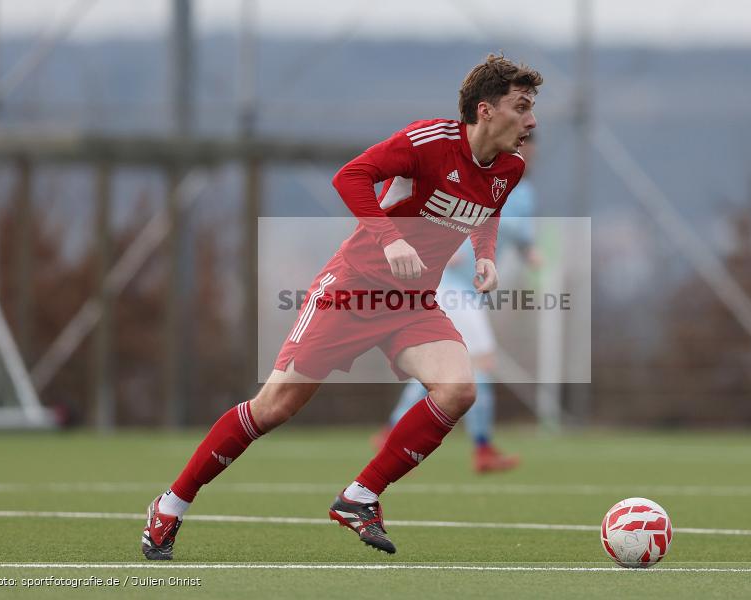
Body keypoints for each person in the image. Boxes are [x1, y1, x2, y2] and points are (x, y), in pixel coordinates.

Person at [141, 54, 542, 559]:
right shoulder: (428, 142)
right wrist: (391, 238)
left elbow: (486, 210)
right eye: (521, 107)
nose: (531, 120)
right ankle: (171, 504)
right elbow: (351, 176)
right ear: (485, 110)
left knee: (459, 390)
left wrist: (485, 255)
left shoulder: (510, 167)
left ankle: (360, 496)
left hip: (413, 304)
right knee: (274, 407)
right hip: (352, 290)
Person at [377, 136, 541, 473]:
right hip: (450, 287)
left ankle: (393, 430)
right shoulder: (478, 177)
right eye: (520, 146)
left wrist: (530, 254)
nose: (525, 154)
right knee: (481, 362)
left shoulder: (524, 192)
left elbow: (519, 236)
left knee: (442, 370)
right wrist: (443, 248)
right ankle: (482, 448)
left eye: (529, 149)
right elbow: (447, 215)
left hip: (471, 291)